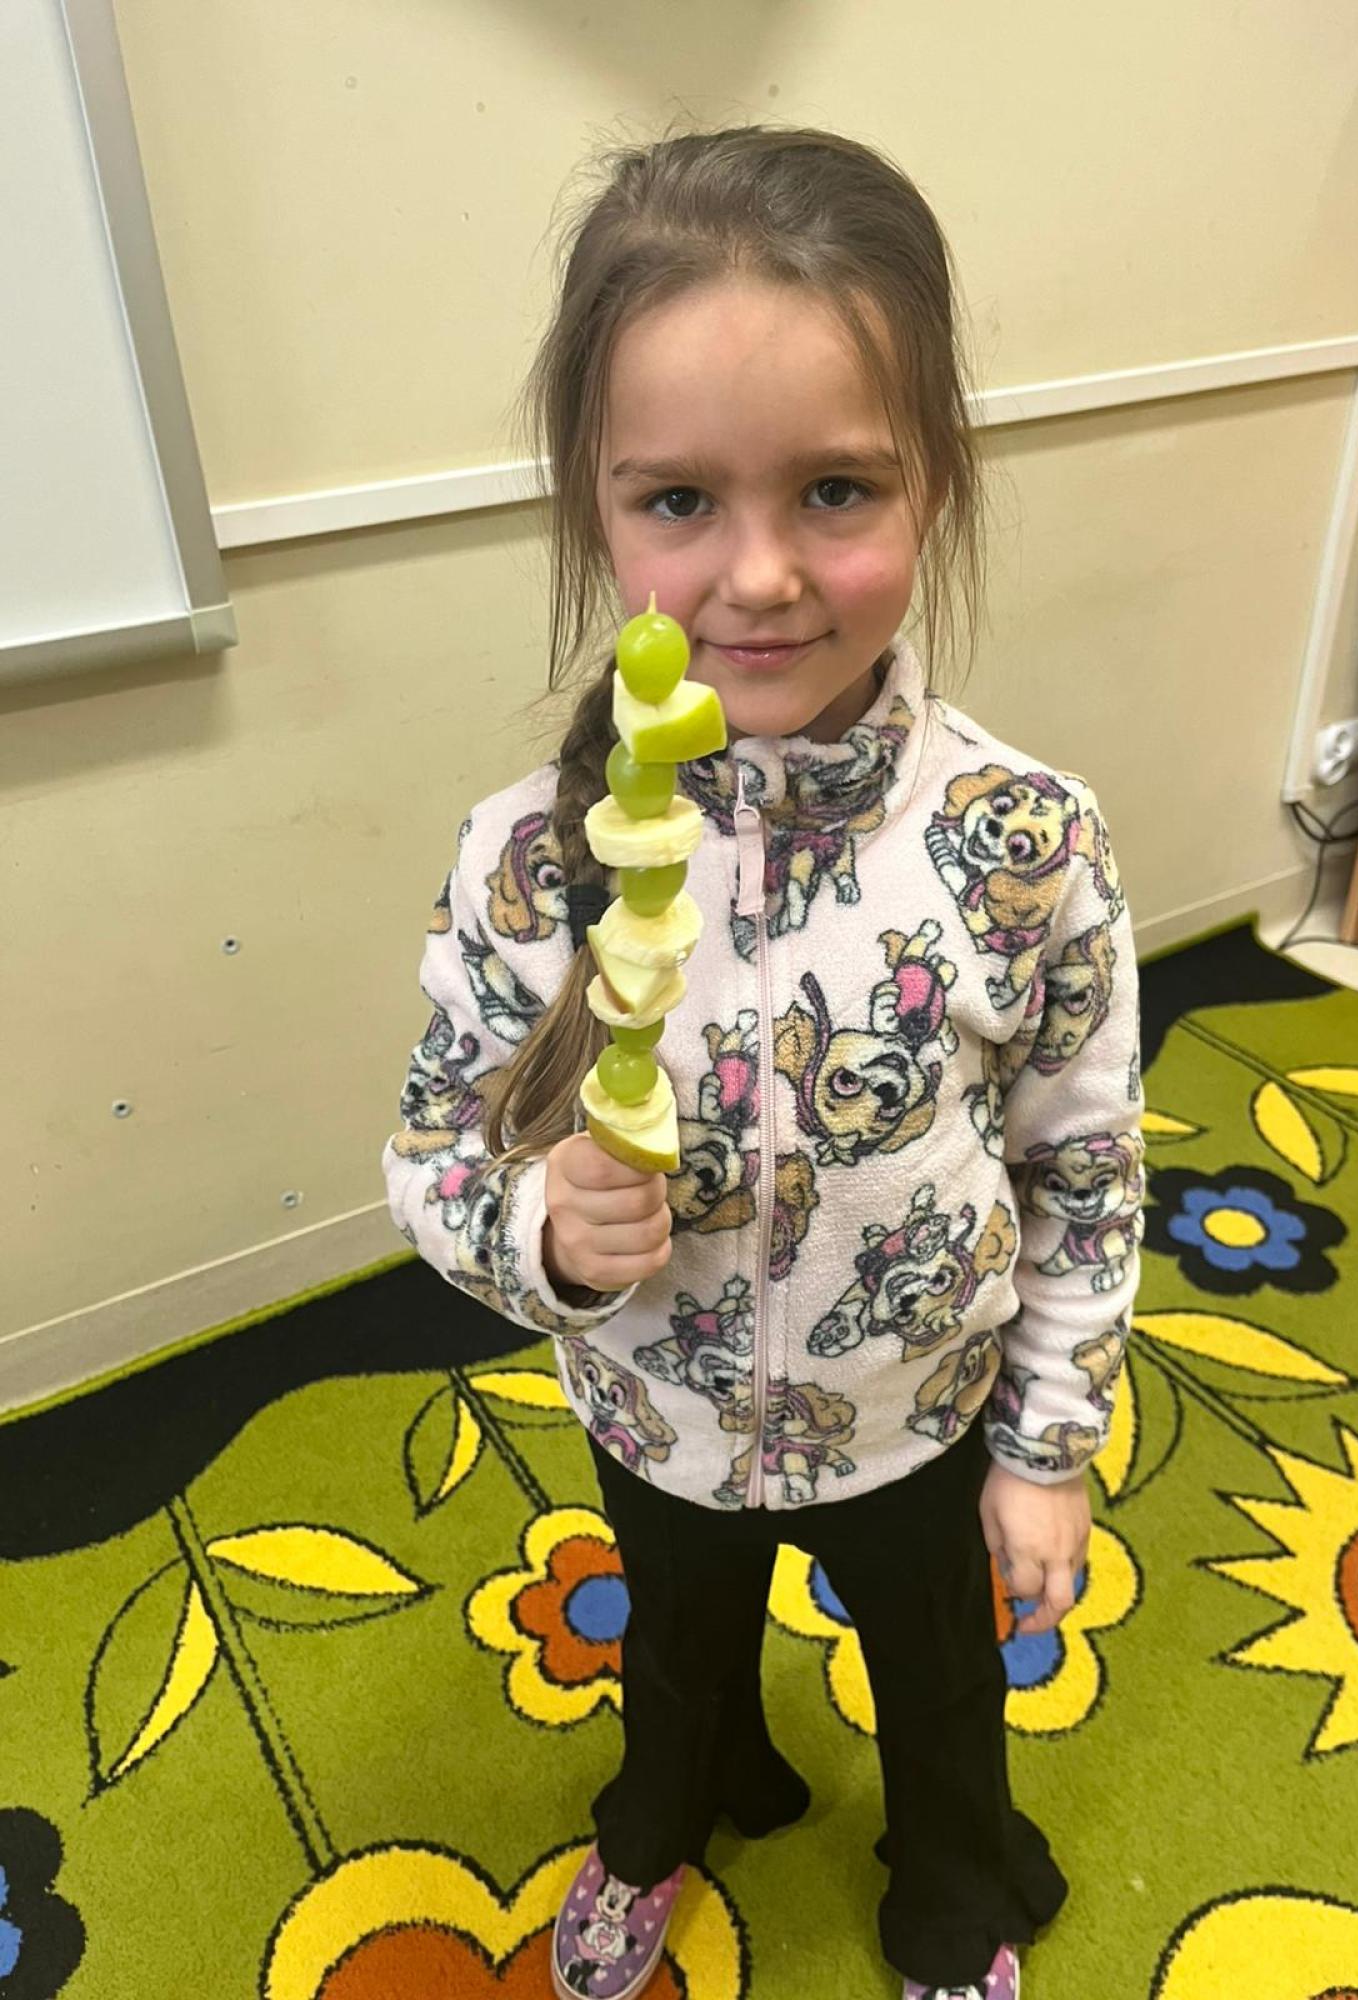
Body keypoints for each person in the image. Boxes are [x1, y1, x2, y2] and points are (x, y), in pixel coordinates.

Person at [383, 123, 1145, 2000]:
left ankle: (951, 1892)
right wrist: (540, 1236)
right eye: (677, 501)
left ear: (935, 479)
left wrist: (1048, 1446)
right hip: (661, 1411)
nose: (761, 576)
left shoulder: (1023, 839)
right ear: (595, 509)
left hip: (923, 1404)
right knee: (678, 1664)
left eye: (835, 489)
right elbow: (430, 1148)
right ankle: (666, 1820)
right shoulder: (533, 856)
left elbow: (1083, 1163)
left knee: (941, 1681)